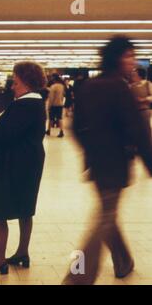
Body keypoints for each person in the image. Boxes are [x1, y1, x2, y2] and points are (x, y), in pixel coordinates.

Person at [64, 36, 152, 285]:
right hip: (115, 163)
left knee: (108, 213)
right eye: (128, 56)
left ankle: (123, 260)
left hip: (97, 162)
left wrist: (90, 150)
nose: (132, 61)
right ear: (115, 58)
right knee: (104, 217)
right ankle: (78, 277)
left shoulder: (88, 86)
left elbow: (75, 126)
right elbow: (138, 130)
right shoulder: (118, 87)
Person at [0, 62, 47, 277]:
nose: (12, 87)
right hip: (30, 161)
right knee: (25, 208)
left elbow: (4, 136)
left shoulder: (23, 105)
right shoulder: (36, 103)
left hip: (14, 164)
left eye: (15, 82)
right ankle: (22, 253)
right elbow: (16, 130)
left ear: (26, 82)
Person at [130, 67, 152, 141]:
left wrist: (143, 100)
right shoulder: (131, 86)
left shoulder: (147, 84)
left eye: (134, 74)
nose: (132, 76)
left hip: (145, 110)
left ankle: (147, 146)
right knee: (136, 130)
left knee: (146, 130)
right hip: (134, 111)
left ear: (139, 75)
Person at [46, 74, 66, 138]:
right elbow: (63, 95)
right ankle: (61, 131)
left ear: (54, 79)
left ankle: (48, 130)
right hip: (60, 104)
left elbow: (51, 97)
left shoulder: (53, 86)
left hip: (54, 104)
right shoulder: (62, 86)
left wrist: (49, 106)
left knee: (51, 118)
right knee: (59, 118)